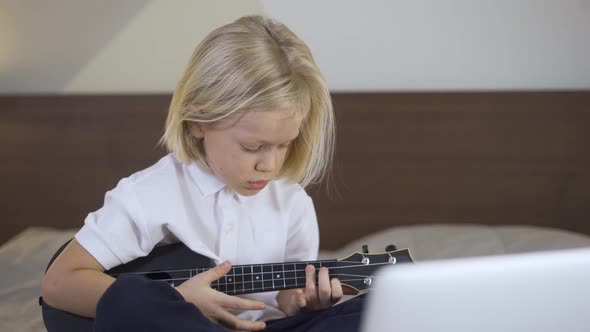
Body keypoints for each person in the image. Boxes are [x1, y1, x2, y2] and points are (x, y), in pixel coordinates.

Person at [41, 15, 365, 332]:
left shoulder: (292, 203)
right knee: (130, 300)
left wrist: (304, 304)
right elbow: (58, 284)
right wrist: (177, 299)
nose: (270, 164)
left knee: (369, 309)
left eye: (284, 145)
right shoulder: (149, 194)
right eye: (253, 146)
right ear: (198, 121)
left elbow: (286, 298)